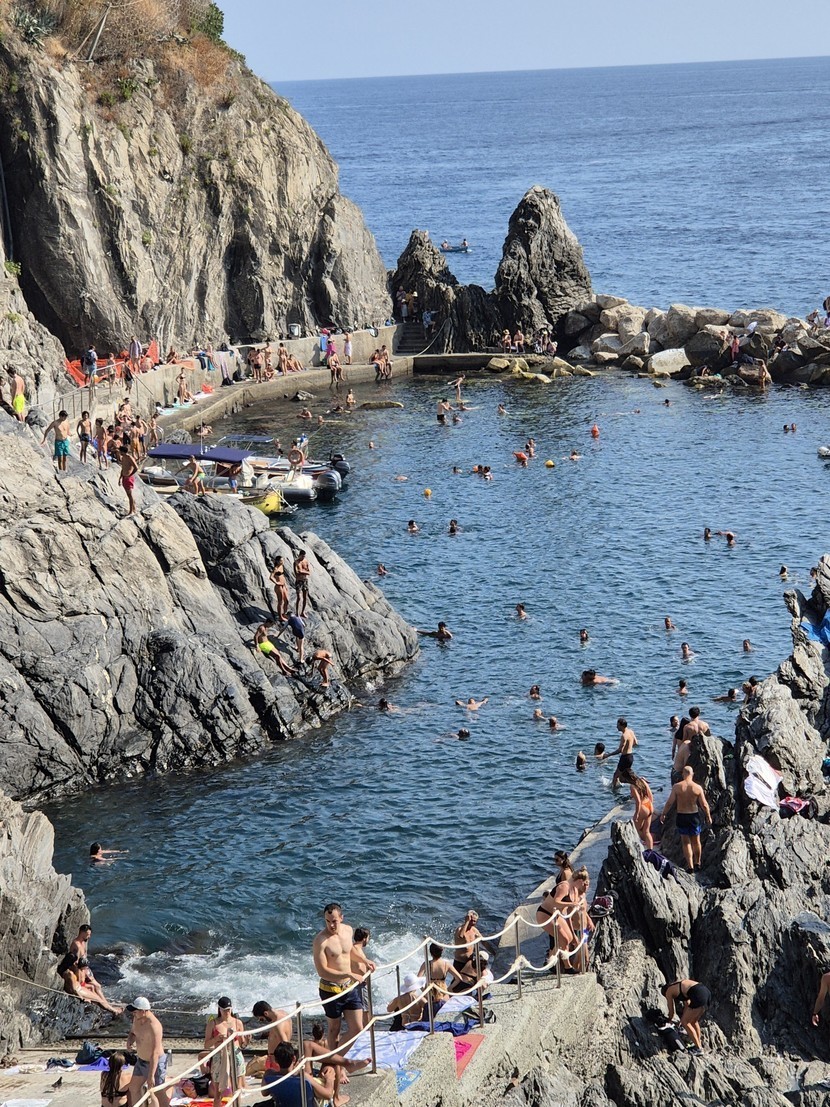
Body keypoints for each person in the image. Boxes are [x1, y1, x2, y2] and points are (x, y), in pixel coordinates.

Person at [312, 902, 364, 1051]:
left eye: (334, 921)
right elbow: (322, 971)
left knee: (358, 1028)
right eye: (327, 921)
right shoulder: (320, 941)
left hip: (349, 987)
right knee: (334, 1029)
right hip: (330, 989)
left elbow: (349, 951)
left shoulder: (348, 930)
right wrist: (348, 973)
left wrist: (365, 960)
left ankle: (335, 1059)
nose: (331, 925)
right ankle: (335, 1062)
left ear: (341, 918)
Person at [660, 766, 712, 872]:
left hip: (682, 816)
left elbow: (669, 802)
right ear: (692, 774)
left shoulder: (677, 787)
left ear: (683, 774)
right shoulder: (697, 788)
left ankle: (690, 866)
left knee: (686, 842)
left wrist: (663, 814)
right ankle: (698, 863)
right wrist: (708, 816)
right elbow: (704, 805)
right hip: (693, 817)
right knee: (696, 841)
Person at [261, 1041, 335, 1107]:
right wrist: (329, 1080)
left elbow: (264, 1093)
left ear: (276, 1060)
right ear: (294, 1058)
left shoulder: (269, 1075)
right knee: (330, 1066)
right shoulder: (303, 1077)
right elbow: (328, 1095)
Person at [127, 996, 170, 1107]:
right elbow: (133, 1033)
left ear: (143, 1011)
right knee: (134, 1088)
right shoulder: (136, 1019)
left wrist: (151, 1075)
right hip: (141, 1060)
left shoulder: (154, 1026)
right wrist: (129, 1041)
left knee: (157, 1091)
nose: (133, 1014)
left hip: (155, 1062)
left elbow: (155, 1053)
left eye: (135, 1012)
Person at [204, 997, 246, 1107]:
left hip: (235, 1053)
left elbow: (242, 1045)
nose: (227, 1012)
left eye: (229, 1010)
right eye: (224, 1010)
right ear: (220, 1009)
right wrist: (216, 1039)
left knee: (237, 1088)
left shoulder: (237, 1022)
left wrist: (246, 1040)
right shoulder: (213, 1023)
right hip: (220, 1055)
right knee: (218, 1091)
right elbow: (206, 1044)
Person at [660, 978, 710, 1054]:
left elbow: (671, 1010)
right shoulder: (679, 986)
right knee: (693, 1021)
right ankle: (698, 1043)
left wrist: (669, 1019)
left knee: (685, 1023)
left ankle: (698, 1049)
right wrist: (682, 1018)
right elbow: (687, 1004)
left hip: (698, 994)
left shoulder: (668, 991)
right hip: (705, 992)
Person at [451, 910, 483, 992]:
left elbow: (483, 941)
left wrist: (494, 952)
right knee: (456, 981)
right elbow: (461, 936)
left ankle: (473, 995)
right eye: (471, 920)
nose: (472, 923)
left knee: (469, 981)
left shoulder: (474, 930)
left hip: (469, 962)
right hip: (459, 962)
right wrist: (467, 922)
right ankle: (450, 994)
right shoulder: (460, 929)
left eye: (475, 921)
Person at [603, 718, 639, 787]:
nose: (617, 727)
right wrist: (628, 747)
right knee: (623, 776)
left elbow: (620, 750)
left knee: (617, 777)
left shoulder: (624, 736)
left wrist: (608, 755)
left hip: (625, 758)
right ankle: (636, 783)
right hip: (630, 757)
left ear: (622, 726)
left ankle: (635, 783)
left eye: (618, 725)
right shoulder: (631, 731)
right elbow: (636, 743)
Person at [627, 773, 655, 848]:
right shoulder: (642, 781)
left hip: (642, 807)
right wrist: (650, 805)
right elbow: (650, 795)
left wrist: (637, 814)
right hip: (649, 805)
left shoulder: (632, 786)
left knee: (635, 830)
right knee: (647, 832)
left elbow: (638, 801)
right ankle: (650, 851)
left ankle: (637, 848)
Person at [115, 443, 139, 515]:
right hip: (124, 477)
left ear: (122, 452)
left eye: (120, 451)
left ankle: (131, 511)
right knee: (128, 495)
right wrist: (120, 478)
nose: (119, 452)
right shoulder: (123, 458)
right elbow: (123, 468)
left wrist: (130, 475)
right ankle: (134, 509)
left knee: (130, 495)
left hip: (128, 478)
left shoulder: (129, 458)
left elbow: (136, 467)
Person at [270, 556, 291, 622]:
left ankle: (284, 613)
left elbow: (282, 576)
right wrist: (276, 582)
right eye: (281, 561)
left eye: (283, 560)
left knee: (286, 600)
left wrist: (285, 585)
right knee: (280, 601)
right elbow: (271, 577)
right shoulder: (275, 568)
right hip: (278, 587)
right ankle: (280, 617)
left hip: (283, 585)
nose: (282, 562)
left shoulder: (281, 566)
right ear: (277, 561)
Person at [293, 550, 310, 617]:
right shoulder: (296, 562)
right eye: (302, 556)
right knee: (299, 598)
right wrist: (304, 572)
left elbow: (309, 572)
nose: (303, 557)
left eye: (304, 556)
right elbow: (296, 573)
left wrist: (302, 571)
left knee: (305, 597)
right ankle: (297, 613)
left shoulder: (306, 561)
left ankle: (303, 612)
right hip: (299, 581)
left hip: (305, 581)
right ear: (299, 555)